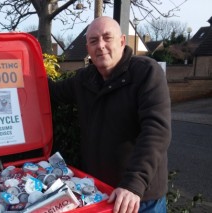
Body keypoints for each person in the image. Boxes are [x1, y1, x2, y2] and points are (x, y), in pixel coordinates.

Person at [48, 16, 171, 213]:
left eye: (107, 38)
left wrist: (133, 184)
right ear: (87, 48)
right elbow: (50, 92)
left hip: (139, 198)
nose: (101, 46)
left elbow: (156, 131)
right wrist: (18, 67)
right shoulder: (84, 79)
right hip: (98, 194)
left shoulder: (146, 72)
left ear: (122, 41)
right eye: (94, 41)